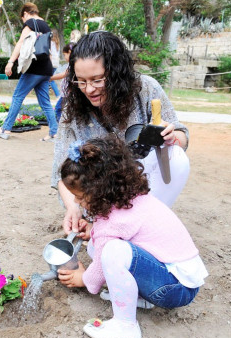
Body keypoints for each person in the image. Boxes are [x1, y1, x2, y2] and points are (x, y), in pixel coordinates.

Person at [58, 136, 208, 338]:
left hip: (174, 288)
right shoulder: (131, 198)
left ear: (102, 191)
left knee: (111, 251)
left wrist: (83, 279)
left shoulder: (112, 221)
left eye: (81, 197)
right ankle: (138, 297)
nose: (76, 201)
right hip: (178, 278)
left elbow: (102, 262)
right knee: (100, 244)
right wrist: (93, 229)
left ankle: (125, 325)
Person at [52, 31, 190, 234]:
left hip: (143, 185)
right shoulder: (72, 107)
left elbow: (182, 137)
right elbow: (60, 168)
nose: (89, 89)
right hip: (101, 194)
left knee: (177, 156)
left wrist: (172, 137)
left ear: (117, 72)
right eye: (81, 81)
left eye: (97, 80)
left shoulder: (146, 89)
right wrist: (73, 207)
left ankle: (139, 226)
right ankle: (109, 226)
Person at [0, 3, 58, 141]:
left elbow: (21, 43)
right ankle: (54, 133)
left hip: (33, 69)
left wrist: (10, 62)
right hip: (46, 70)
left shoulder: (30, 23)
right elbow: (48, 50)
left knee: (17, 97)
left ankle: (5, 128)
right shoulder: (46, 26)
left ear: (26, 13)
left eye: (23, 18)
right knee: (45, 102)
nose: (23, 21)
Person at [47, 43, 72, 131]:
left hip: (67, 94)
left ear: (70, 52)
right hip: (65, 94)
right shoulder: (71, 64)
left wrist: (51, 77)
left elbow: (64, 74)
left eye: (65, 55)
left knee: (58, 109)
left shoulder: (73, 64)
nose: (64, 57)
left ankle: (63, 128)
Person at [49, 29, 61, 98]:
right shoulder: (57, 43)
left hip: (51, 62)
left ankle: (57, 94)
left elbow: (50, 53)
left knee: (50, 79)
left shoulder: (50, 42)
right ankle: (56, 94)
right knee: (50, 79)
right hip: (56, 63)